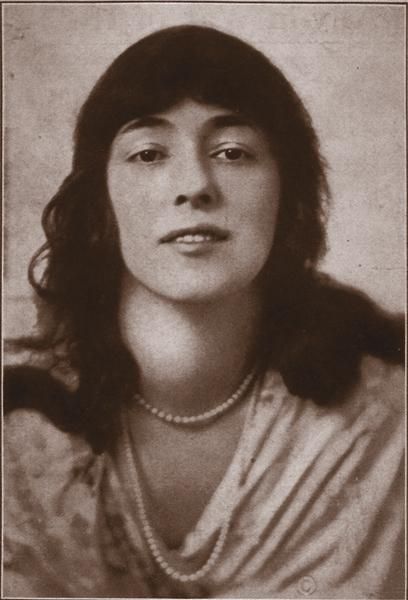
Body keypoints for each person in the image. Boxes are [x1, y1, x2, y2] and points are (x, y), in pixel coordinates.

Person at [4, 24, 404, 599]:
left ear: (287, 193)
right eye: (148, 153)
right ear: (100, 205)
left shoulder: (383, 422)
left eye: (233, 152)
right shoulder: (16, 433)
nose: (194, 185)